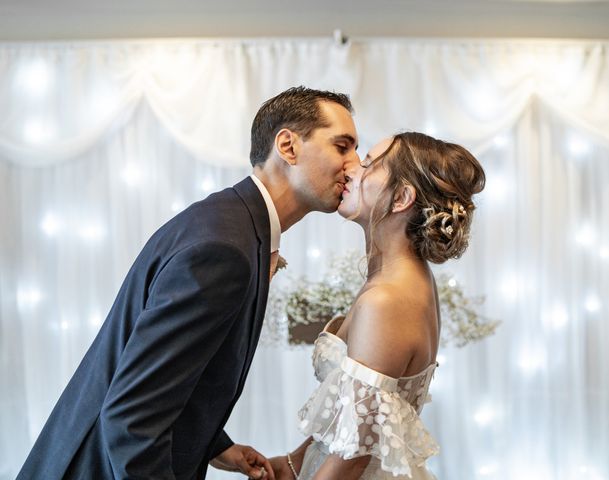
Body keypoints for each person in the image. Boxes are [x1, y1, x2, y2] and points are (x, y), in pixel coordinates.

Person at [17, 86, 360, 480]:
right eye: (342, 146)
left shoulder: (232, 224)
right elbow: (131, 418)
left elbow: (170, 372)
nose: (354, 164)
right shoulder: (223, 247)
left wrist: (218, 446)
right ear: (288, 145)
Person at [270, 132, 486, 479]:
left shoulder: (388, 298)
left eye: (369, 163)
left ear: (400, 197)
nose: (352, 168)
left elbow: (354, 453)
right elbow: (354, 410)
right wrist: (294, 463)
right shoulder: (397, 276)